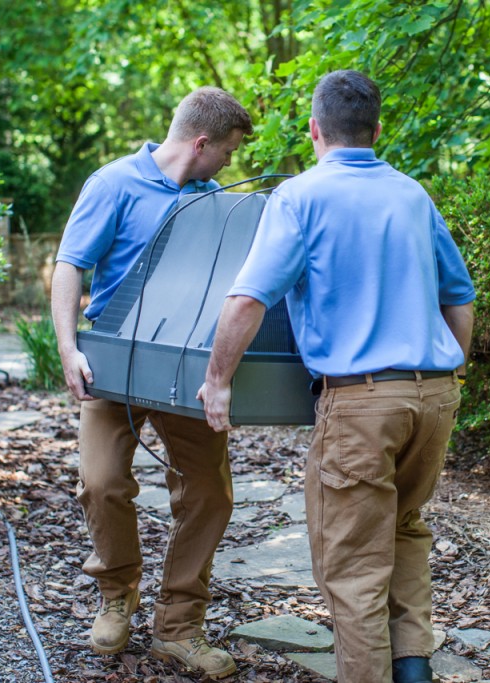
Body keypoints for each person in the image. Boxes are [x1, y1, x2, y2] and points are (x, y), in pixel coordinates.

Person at [198, 70, 474, 683]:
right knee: (403, 531)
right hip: (432, 398)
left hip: (360, 404)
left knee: (352, 565)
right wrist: (451, 373)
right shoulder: (412, 195)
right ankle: (414, 671)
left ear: (315, 130)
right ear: (377, 131)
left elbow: (248, 300)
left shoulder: (300, 197)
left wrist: (218, 380)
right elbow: (459, 297)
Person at [51, 86, 253, 680]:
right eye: (230, 150)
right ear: (201, 142)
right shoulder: (114, 183)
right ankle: (118, 593)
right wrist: (69, 350)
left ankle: (179, 625)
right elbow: (70, 265)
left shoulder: (219, 200)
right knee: (102, 481)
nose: (231, 163)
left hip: (190, 367)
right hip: (115, 362)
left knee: (209, 493)